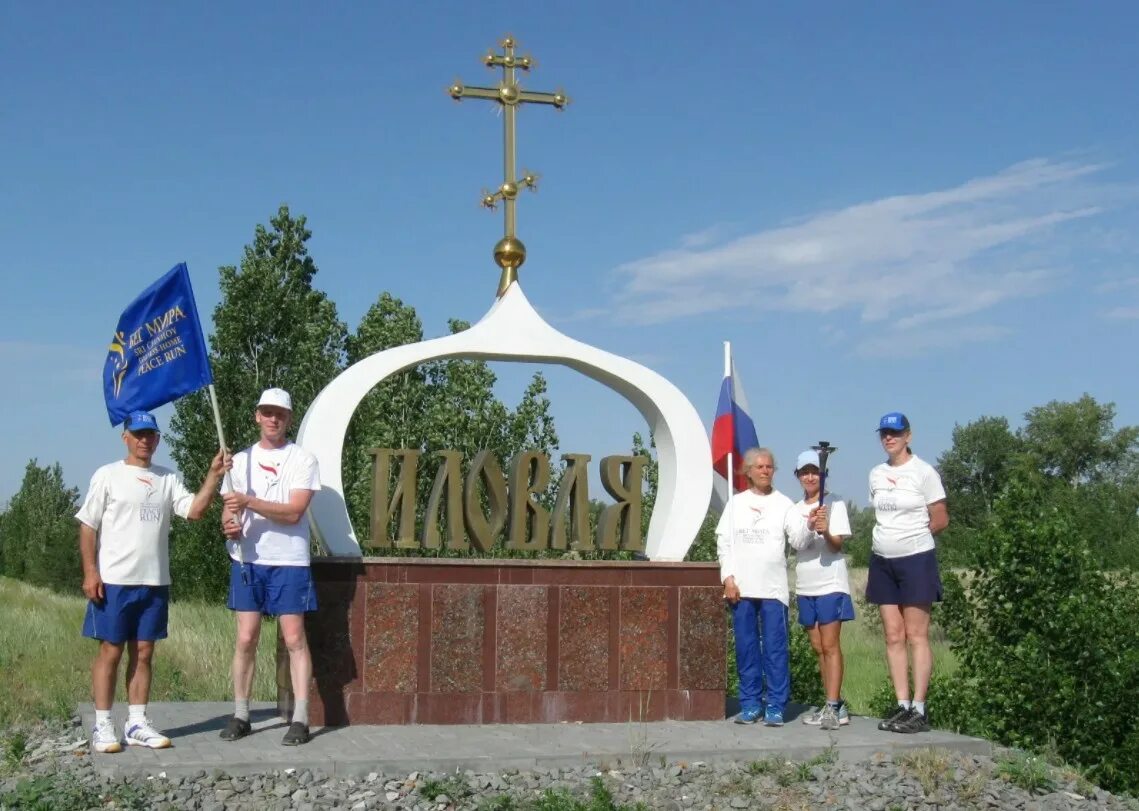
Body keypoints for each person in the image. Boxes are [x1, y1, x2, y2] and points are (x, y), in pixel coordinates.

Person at [78, 410, 229, 753]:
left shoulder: (167, 478)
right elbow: (88, 525)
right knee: (111, 650)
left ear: (158, 439)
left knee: (144, 653)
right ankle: (103, 724)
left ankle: (136, 722)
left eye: (151, 435)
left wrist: (214, 474)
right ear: (126, 437)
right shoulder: (108, 475)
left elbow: (194, 510)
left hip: (155, 580)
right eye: (139, 434)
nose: (145, 440)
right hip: (114, 580)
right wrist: (90, 571)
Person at [220, 388, 320, 746]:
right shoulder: (241, 461)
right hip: (248, 560)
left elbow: (294, 512)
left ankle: (301, 718)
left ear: (288, 419)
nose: (273, 418)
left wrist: (249, 502)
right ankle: (241, 714)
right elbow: (228, 510)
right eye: (267, 412)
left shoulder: (303, 460)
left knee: (294, 638)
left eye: (280, 413)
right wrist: (229, 523)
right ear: (257, 416)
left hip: (289, 561)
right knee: (246, 638)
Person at [867, 412, 949, 734]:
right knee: (892, 634)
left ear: (908, 436)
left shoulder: (924, 472)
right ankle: (901, 705)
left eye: (895, 433)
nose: (889, 438)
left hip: (916, 558)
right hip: (882, 560)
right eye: (885, 433)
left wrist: (915, 537)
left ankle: (919, 707)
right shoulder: (875, 474)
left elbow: (940, 517)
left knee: (916, 635)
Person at [717, 447, 809, 727]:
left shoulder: (785, 504)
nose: (765, 471)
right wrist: (728, 578)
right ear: (748, 471)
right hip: (742, 589)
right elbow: (724, 542)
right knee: (746, 648)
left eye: (769, 466)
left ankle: (776, 706)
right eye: (759, 467)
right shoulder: (736, 503)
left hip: (773, 591)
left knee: (775, 649)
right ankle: (750, 704)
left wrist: (812, 524)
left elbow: (799, 541)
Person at [787, 450, 854, 731]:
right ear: (798, 476)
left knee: (830, 646)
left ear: (823, 475)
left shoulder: (835, 502)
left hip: (831, 583)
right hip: (806, 585)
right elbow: (796, 544)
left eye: (815, 471)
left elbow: (837, 545)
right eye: (805, 472)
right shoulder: (793, 510)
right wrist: (810, 524)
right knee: (817, 648)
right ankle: (834, 705)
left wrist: (825, 530)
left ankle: (833, 705)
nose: (811, 476)